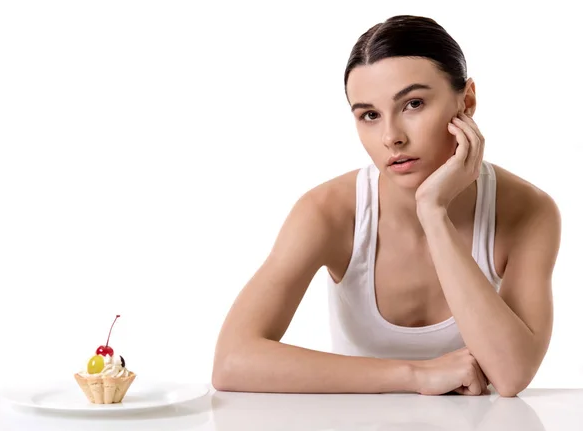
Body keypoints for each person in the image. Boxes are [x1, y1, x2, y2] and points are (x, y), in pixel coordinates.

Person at [212, 15, 561, 397]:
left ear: (468, 101)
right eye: (370, 115)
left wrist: (433, 213)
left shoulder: (529, 211)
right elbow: (232, 361)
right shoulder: (327, 211)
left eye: (413, 104)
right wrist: (416, 374)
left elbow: (511, 375)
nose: (391, 137)